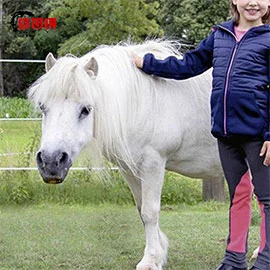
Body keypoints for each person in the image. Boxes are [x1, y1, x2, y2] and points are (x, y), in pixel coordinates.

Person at [133, 0, 270, 269]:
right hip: (226, 133)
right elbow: (188, 65)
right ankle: (234, 259)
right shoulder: (220, 36)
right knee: (238, 196)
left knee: (266, 198)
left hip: (259, 135)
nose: (253, 2)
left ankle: (267, 258)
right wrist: (147, 63)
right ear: (234, 1)